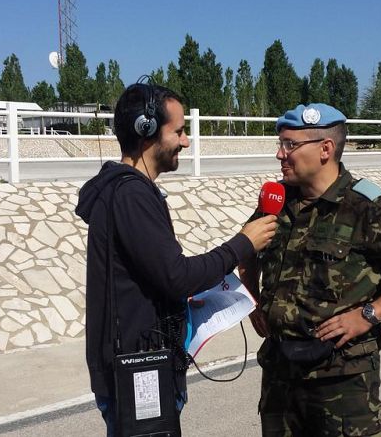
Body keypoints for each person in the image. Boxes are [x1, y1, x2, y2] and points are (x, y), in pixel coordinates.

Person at [75, 80, 277, 436]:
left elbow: (158, 277)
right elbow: (175, 276)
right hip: (139, 370)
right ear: (146, 131)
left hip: (139, 364)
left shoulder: (127, 191)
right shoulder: (131, 195)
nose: (186, 141)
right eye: (179, 131)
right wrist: (242, 245)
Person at [239, 103, 381, 436]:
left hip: (341, 385)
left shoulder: (367, 207)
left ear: (325, 149)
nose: (280, 154)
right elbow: (245, 249)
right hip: (280, 378)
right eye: (280, 144)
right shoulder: (278, 201)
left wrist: (368, 314)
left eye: (290, 145)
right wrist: (252, 300)